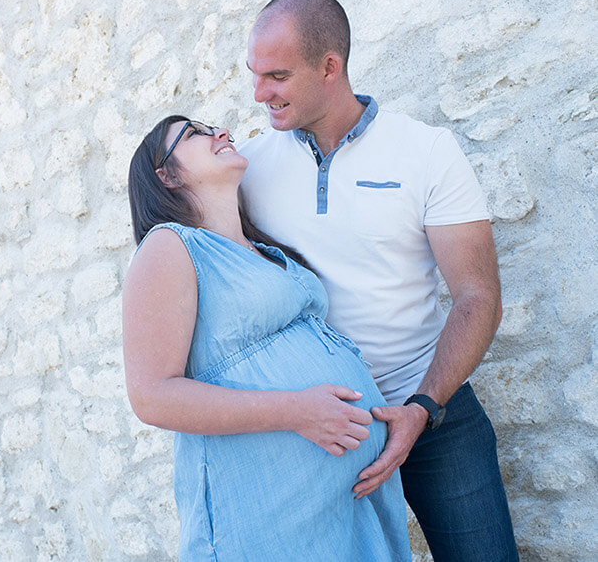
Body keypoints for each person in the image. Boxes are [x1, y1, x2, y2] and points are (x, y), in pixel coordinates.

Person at [238, 0, 517, 561]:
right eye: (255, 74)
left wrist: (422, 406)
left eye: (278, 76)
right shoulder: (248, 169)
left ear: (330, 67)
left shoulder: (426, 151)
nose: (260, 93)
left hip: (434, 412)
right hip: (325, 429)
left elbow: (477, 294)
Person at [122, 115, 412, 561]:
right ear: (166, 175)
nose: (219, 132)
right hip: (268, 519)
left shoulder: (267, 251)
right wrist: (297, 411)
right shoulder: (170, 246)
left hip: (347, 510)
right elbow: (151, 396)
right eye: (194, 133)